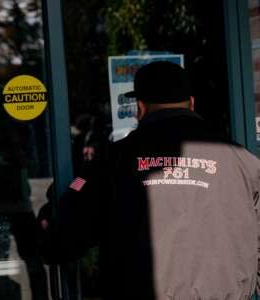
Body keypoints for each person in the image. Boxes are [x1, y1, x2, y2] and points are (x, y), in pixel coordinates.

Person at [38, 61, 260, 300]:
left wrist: (50, 222)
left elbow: (64, 240)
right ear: (192, 103)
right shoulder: (245, 163)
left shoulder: (113, 161)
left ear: (140, 108)